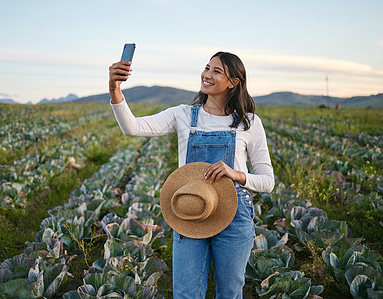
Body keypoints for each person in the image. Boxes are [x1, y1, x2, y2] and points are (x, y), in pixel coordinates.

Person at [108, 51, 274, 299]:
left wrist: (237, 174)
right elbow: (133, 127)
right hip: (190, 209)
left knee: (229, 293)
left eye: (216, 71)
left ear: (234, 82)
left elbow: (268, 181)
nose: (206, 75)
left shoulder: (248, 122)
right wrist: (115, 88)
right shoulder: (183, 115)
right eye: (206, 68)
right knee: (186, 293)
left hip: (234, 213)